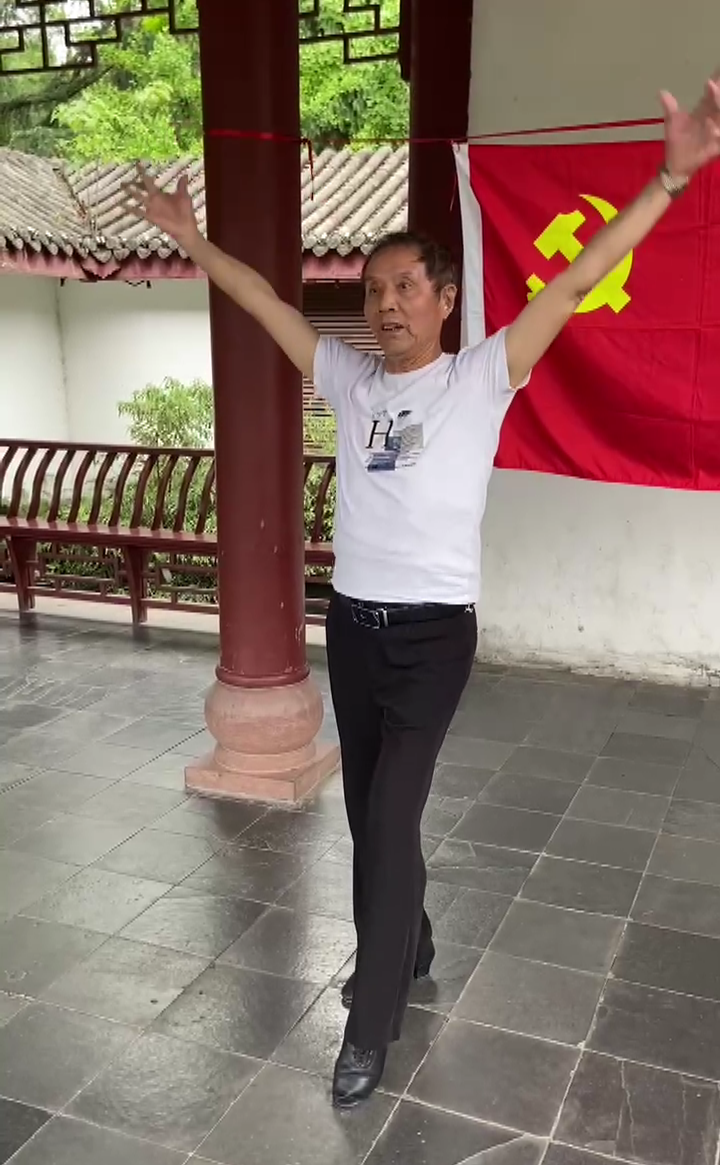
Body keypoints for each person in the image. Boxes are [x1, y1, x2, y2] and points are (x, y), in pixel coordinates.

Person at [126, 74, 720, 1108]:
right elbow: (264, 298)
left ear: (446, 300)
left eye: (405, 286)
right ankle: (418, 938)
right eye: (373, 289)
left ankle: (371, 1022)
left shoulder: (482, 376)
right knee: (371, 816)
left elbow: (578, 279)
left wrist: (670, 180)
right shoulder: (349, 379)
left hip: (435, 638)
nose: (385, 303)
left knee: (392, 810)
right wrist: (191, 239)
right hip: (355, 632)